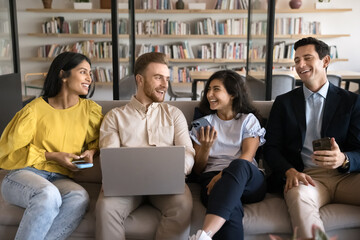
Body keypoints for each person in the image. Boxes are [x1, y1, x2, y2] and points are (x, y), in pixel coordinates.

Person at [264, 37, 360, 238]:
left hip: (347, 176)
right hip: (307, 177)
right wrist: (289, 171)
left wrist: (345, 159)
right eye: (297, 60)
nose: (300, 65)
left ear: (325, 61)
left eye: (307, 58)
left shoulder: (351, 102)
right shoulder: (284, 103)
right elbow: (270, 148)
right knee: (298, 196)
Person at [0, 51, 103, 240]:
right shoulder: (34, 110)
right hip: (24, 174)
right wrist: (51, 156)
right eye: (83, 72)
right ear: (63, 75)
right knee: (48, 195)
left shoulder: (90, 111)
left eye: (90, 73)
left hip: (59, 178)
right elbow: (7, 151)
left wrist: (91, 151)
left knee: (79, 197)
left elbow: (98, 142)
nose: (89, 78)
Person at [96, 52, 195, 240]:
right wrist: (109, 178)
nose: (165, 85)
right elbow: (110, 157)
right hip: (126, 186)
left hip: (167, 184)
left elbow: (188, 152)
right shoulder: (114, 117)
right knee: (106, 207)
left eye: (166, 79)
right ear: (140, 79)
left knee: (183, 204)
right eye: (158, 78)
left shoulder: (174, 114)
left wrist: (175, 172)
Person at [189, 70, 267, 240]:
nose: (209, 94)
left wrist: (223, 176)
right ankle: (203, 236)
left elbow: (247, 156)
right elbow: (198, 169)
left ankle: (205, 234)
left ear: (232, 94)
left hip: (248, 179)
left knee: (239, 165)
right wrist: (205, 148)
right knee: (231, 207)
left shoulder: (248, 120)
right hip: (211, 179)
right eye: (208, 89)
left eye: (216, 89)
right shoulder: (203, 123)